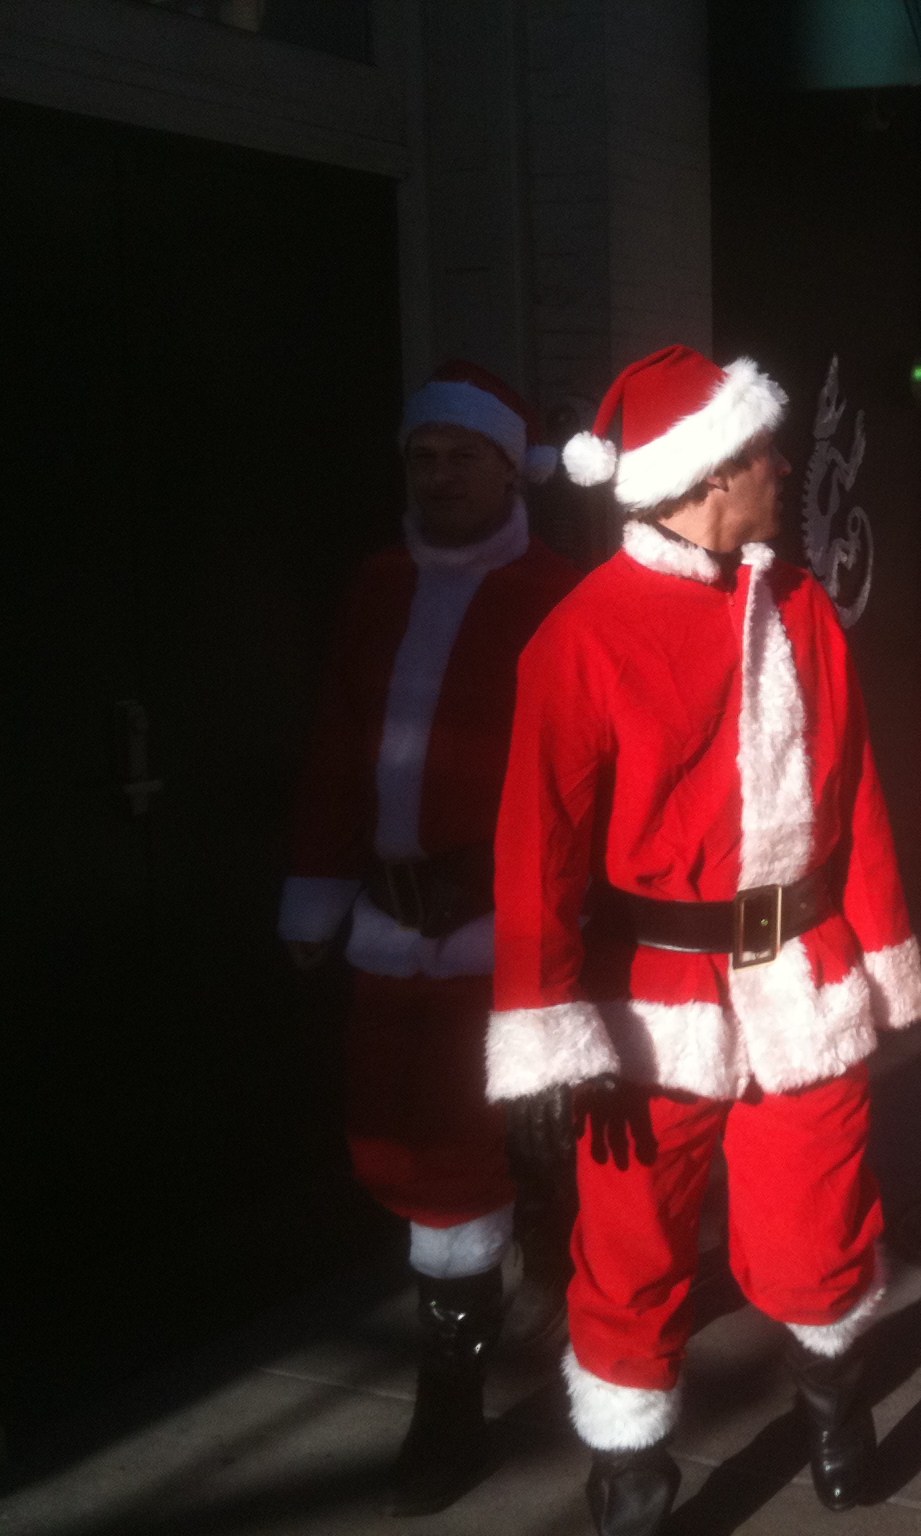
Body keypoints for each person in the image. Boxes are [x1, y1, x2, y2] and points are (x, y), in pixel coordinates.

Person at [488, 345, 921, 1536]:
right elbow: (537, 845)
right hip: (651, 994)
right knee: (628, 1245)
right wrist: (544, 1028)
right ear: (706, 476)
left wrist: (884, 958)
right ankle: (632, 1470)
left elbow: (860, 801)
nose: (784, 469)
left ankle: (832, 1393)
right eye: (762, 455)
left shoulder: (799, 607)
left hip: (804, 972)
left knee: (821, 1222)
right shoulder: (582, 635)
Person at [279, 362, 583, 1514]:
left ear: (510, 466)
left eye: (464, 455)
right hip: (384, 927)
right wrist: (315, 892)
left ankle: (447, 1408)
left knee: (462, 1168)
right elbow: (336, 746)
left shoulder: (556, 590)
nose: (441, 474)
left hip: (502, 936)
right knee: (398, 1154)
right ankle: (517, 1284)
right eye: (423, 456)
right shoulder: (376, 585)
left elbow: (580, 779)